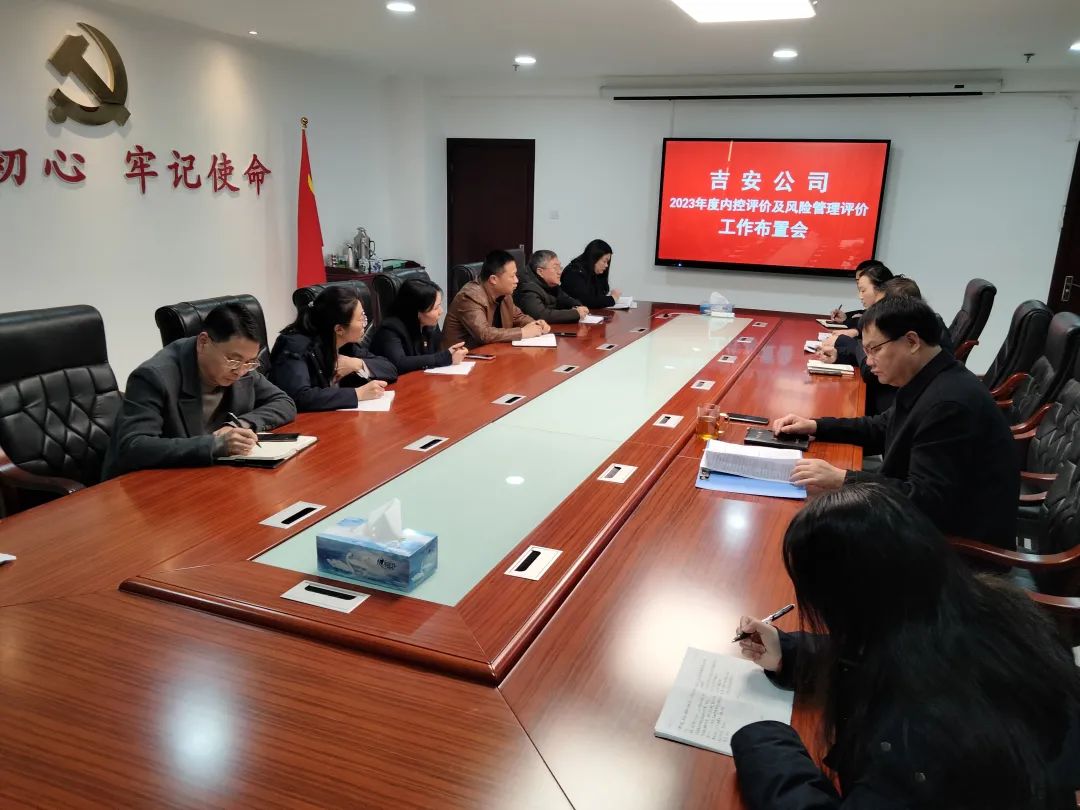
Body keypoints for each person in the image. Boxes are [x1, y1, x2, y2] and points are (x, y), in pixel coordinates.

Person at [731, 484, 1080, 809]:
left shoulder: (918, 735)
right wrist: (789, 654)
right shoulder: (982, 611)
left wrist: (763, 739)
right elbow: (878, 655)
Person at [772, 295, 1018, 548]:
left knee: (809, 534)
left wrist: (842, 479)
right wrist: (816, 426)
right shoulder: (930, 378)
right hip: (923, 524)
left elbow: (925, 502)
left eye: (874, 349)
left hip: (955, 550)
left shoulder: (948, 405)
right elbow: (882, 427)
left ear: (912, 341)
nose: (868, 361)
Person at [103, 303, 296, 478]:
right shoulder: (154, 377)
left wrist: (239, 424)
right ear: (203, 342)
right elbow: (134, 447)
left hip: (210, 475)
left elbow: (284, 402)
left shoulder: (243, 367)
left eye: (250, 362)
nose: (240, 371)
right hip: (149, 486)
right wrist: (215, 445)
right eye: (234, 360)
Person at [822, 276, 954, 415]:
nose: (877, 312)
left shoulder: (941, 403)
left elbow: (870, 373)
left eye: (882, 307)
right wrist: (842, 355)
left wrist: (850, 343)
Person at [269, 286, 397, 411]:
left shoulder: (344, 343)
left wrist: (357, 363)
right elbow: (300, 397)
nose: (365, 323)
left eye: (364, 315)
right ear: (339, 329)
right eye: (361, 319)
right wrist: (358, 394)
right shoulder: (294, 346)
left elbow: (390, 369)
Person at [441, 249, 549, 349]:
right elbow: (484, 334)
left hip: (490, 353)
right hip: (462, 357)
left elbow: (517, 317)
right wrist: (523, 332)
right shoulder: (469, 297)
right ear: (493, 279)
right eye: (512, 276)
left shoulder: (504, 294)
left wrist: (536, 325)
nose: (516, 280)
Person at [370, 278, 468, 373]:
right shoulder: (390, 330)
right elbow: (399, 363)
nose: (441, 311)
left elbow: (434, 355)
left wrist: (452, 354)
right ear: (417, 312)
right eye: (435, 308)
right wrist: (444, 358)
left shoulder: (429, 324)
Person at [514, 250, 590, 323]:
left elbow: (565, 298)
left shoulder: (550, 283)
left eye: (560, 267)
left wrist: (578, 306)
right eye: (555, 268)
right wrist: (575, 313)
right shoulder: (527, 288)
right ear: (540, 272)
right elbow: (541, 315)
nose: (559, 272)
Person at [826, 259, 893, 335]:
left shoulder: (893, 314)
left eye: (863, 290)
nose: (860, 296)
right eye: (857, 281)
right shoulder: (882, 308)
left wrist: (855, 331)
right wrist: (846, 318)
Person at [561, 238, 620, 309]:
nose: (606, 265)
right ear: (594, 258)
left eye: (607, 262)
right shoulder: (574, 272)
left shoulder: (593, 273)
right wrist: (612, 299)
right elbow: (585, 301)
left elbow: (599, 296)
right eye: (604, 261)